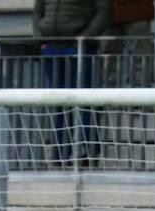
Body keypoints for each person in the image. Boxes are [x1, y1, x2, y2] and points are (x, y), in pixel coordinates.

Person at [34, 0, 110, 164]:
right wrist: (40, 39)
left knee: (86, 101)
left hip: (80, 47)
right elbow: (38, 11)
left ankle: (89, 152)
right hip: (51, 47)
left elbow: (104, 12)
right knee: (58, 102)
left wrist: (84, 38)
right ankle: (61, 152)